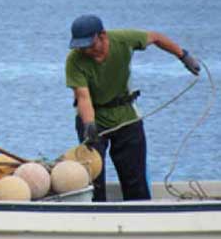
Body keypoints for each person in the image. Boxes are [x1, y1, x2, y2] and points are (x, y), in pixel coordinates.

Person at [65, 14, 200, 202]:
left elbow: (156, 37)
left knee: (134, 177)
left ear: (102, 35)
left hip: (126, 115)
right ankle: (96, 217)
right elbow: (83, 97)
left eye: (90, 45)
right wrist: (89, 125)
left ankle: (140, 215)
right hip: (94, 117)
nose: (87, 51)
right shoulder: (74, 61)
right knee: (93, 176)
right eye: (81, 47)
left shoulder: (123, 40)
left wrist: (183, 56)